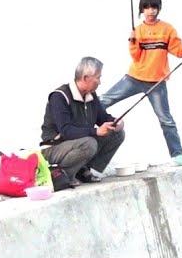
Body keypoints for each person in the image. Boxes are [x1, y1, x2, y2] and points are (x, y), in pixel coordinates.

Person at [99, 0, 182, 166]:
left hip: (157, 83)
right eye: (147, 8)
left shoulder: (167, 29)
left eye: (154, 7)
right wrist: (132, 42)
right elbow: (136, 56)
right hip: (134, 77)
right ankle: (82, 125)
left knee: (166, 119)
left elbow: (178, 50)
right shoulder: (138, 30)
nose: (151, 11)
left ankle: (177, 154)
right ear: (142, 10)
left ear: (159, 8)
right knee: (103, 101)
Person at [39, 57, 125, 185]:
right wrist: (96, 131)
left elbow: (102, 117)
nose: (100, 82)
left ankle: (82, 170)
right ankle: (62, 175)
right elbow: (66, 131)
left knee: (117, 134)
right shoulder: (59, 97)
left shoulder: (91, 95)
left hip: (78, 145)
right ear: (85, 78)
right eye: (98, 77)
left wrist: (115, 122)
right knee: (89, 143)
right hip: (54, 148)